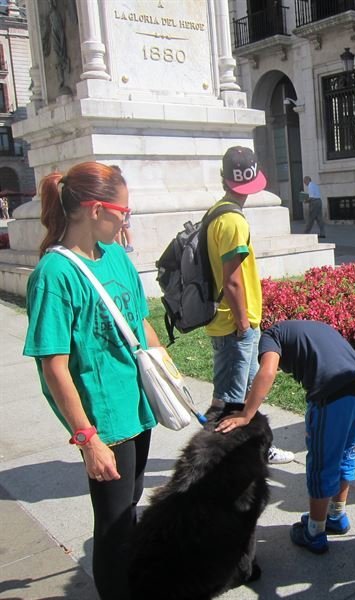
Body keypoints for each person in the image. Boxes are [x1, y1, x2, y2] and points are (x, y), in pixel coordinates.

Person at [23, 163, 161, 600]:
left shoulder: (116, 256)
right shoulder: (55, 275)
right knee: (115, 527)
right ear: (95, 209)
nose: (126, 219)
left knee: (132, 504)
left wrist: (166, 378)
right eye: (124, 211)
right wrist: (87, 439)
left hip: (139, 409)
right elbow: (54, 366)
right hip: (103, 421)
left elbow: (140, 323)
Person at [215, 320, 355, 554]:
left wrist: (247, 414)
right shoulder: (312, 328)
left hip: (331, 396)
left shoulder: (270, 336)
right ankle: (336, 516)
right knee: (346, 456)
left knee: (322, 464)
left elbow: (267, 371)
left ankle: (315, 532)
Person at [205, 146, 294, 464]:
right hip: (234, 324)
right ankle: (217, 459)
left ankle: (254, 445)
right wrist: (244, 325)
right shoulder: (233, 221)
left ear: (223, 178)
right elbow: (232, 280)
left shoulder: (219, 212)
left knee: (241, 393)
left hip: (231, 322)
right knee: (231, 401)